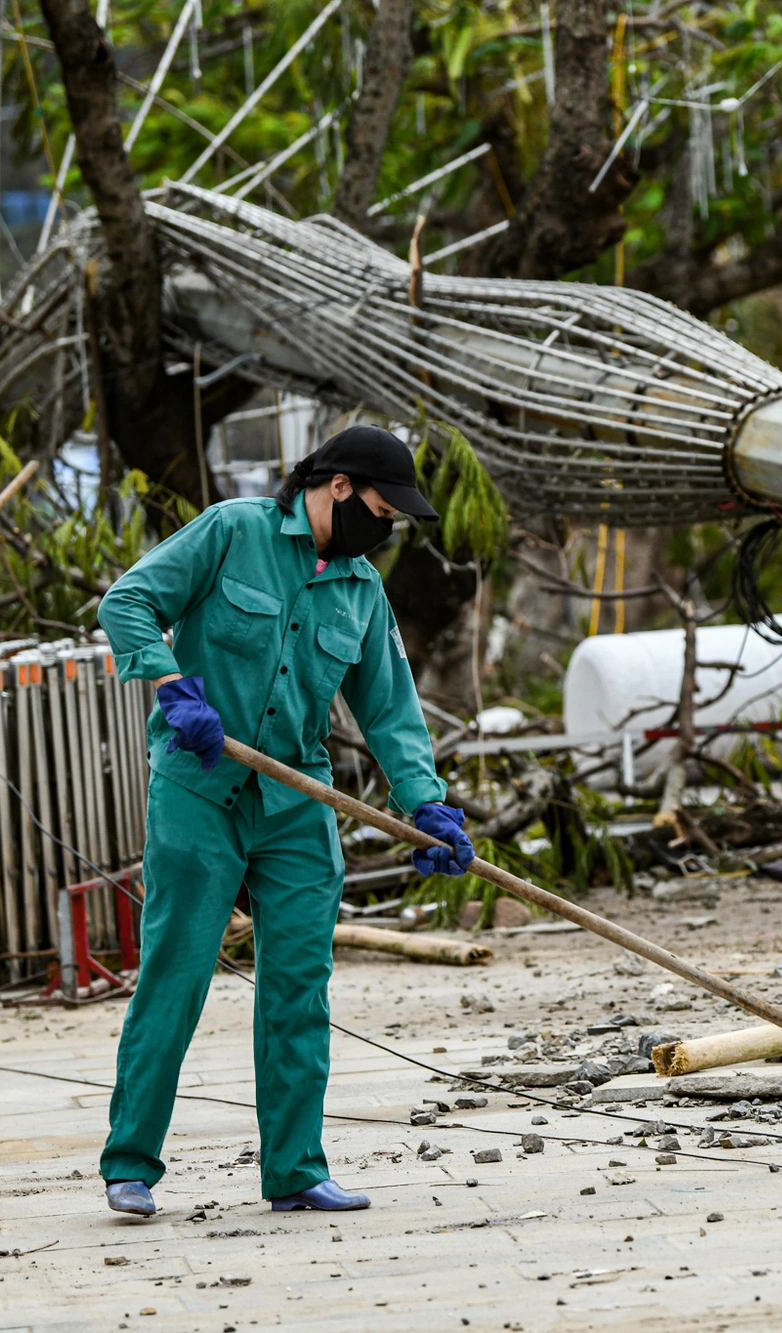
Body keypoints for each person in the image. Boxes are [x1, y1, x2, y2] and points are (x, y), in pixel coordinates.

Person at [94, 424, 476, 1217]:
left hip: (297, 799)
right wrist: (170, 683)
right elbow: (127, 601)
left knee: (300, 985)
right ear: (338, 486)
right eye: (381, 507)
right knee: (178, 971)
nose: (387, 526)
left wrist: (425, 802)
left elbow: (390, 706)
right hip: (200, 787)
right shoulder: (234, 532)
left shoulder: (362, 589)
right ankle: (130, 1161)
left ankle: (296, 1168)